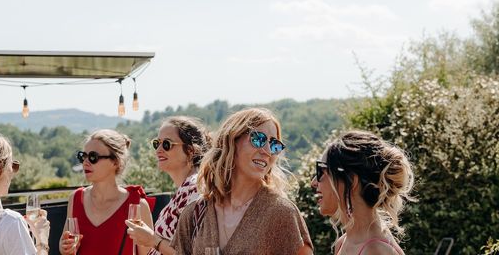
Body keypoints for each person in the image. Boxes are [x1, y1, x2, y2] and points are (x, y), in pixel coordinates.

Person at [172, 108, 313, 255]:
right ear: (232, 141)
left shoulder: (281, 213)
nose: (267, 151)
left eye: (274, 145)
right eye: (258, 139)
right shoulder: (195, 215)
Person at [311, 131, 414, 255]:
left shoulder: (374, 251)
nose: (314, 182)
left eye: (321, 171)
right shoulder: (343, 242)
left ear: (351, 180)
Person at [59, 129, 154, 255]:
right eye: (83, 156)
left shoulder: (138, 206)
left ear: (115, 162)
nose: (86, 162)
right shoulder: (76, 199)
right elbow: (65, 245)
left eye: (93, 157)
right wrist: (65, 247)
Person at [126, 116, 211, 254]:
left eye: (167, 144)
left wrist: (153, 240)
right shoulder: (185, 189)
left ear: (190, 151)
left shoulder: (194, 188)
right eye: (156, 143)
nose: (158, 149)